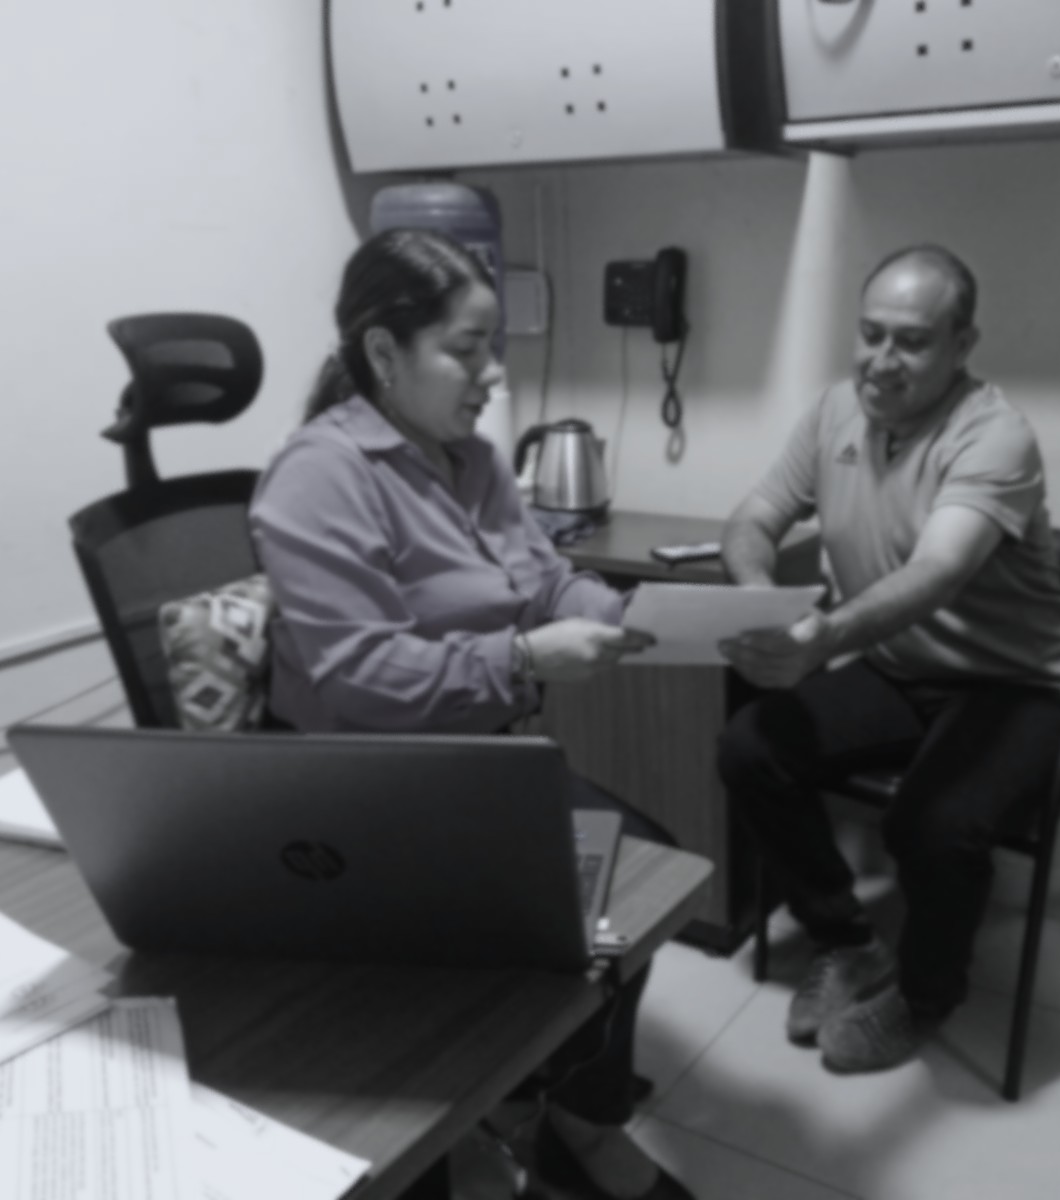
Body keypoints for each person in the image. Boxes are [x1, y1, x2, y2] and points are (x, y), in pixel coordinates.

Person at [249, 228, 693, 1200]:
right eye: (468, 349)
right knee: (585, 911)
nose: (494, 373)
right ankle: (532, 1106)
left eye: (496, 347)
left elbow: (546, 579)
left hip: (473, 762)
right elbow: (360, 677)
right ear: (383, 351)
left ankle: (566, 1106)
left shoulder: (474, 460)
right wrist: (526, 657)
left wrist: (630, 617)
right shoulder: (321, 473)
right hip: (365, 788)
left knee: (645, 870)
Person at [716, 244, 1060, 1073]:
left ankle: (926, 995)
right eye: (870, 334)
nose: (882, 360)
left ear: (962, 345)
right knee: (750, 747)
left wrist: (823, 637)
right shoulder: (834, 411)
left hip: (1017, 685)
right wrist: (758, 598)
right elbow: (754, 516)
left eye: (912, 341)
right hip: (901, 667)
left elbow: (938, 572)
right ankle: (847, 942)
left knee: (933, 823)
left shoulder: (995, 436)